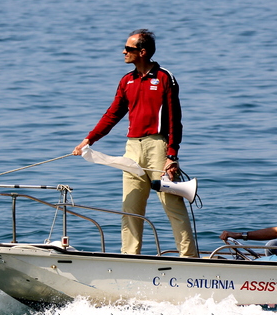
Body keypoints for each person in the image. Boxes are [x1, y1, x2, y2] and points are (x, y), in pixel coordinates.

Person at [73, 29, 198, 257]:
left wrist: (172, 155)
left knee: (173, 206)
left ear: (142, 52)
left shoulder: (164, 78)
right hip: (132, 148)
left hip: (158, 147)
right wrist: (88, 140)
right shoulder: (126, 80)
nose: (123, 52)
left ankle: (190, 258)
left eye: (128, 49)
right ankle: (130, 258)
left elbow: (175, 120)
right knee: (130, 208)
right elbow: (112, 115)